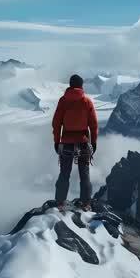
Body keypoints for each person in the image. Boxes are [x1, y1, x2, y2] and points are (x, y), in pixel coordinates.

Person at [52, 74, 98, 210]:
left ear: (70, 85)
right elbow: (93, 124)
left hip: (66, 142)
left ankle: (60, 202)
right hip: (83, 142)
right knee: (84, 173)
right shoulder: (87, 102)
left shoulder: (63, 101)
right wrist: (93, 142)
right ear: (81, 85)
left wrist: (57, 141)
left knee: (64, 173)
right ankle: (86, 203)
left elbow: (56, 123)